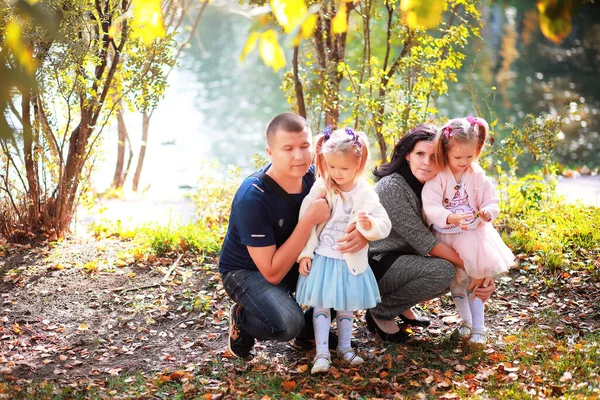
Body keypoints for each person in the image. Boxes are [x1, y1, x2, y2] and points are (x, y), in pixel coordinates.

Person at [218, 112, 368, 358]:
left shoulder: (316, 178)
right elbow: (272, 273)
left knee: (354, 268)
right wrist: (308, 219)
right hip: (249, 272)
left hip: (299, 260)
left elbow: (355, 207)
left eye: (304, 146)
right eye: (287, 148)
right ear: (270, 152)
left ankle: (309, 331)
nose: (298, 156)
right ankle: (242, 319)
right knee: (287, 324)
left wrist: (362, 236)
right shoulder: (253, 198)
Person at [366, 124, 496, 342]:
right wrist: (476, 269)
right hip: (378, 264)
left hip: (405, 259)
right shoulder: (392, 188)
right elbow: (428, 244)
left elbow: (467, 235)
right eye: (419, 154)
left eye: (434, 156)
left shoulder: (436, 185)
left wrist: (485, 270)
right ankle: (381, 310)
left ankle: (400, 305)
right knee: (444, 271)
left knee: (453, 267)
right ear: (407, 155)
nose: (427, 162)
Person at [295, 127, 391, 374]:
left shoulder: (365, 193)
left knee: (346, 306)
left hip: (349, 260)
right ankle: (322, 352)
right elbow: (306, 219)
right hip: (324, 258)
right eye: (332, 167)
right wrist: (305, 252)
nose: (337, 174)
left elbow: (384, 223)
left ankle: (346, 348)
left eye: (344, 169)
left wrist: (369, 228)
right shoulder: (322, 186)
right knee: (321, 306)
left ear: (358, 165)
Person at [422, 116, 514, 345]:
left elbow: (491, 201)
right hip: (447, 236)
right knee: (457, 281)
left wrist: (487, 212)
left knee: (476, 279)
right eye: (458, 157)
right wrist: (450, 216)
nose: (464, 162)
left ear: (477, 151)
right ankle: (466, 321)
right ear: (446, 151)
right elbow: (430, 205)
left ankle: (479, 327)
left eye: (469, 157)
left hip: (473, 236)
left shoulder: (478, 175)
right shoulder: (438, 177)